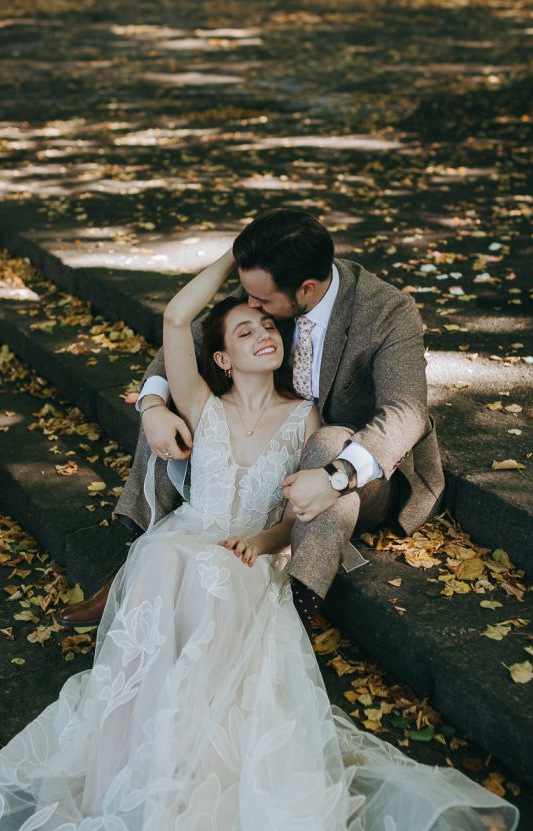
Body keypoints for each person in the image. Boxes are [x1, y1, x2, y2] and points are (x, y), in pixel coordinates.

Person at [0, 250, 520, 831]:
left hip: (245, 554)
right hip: (187, 539)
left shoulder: (306, 418)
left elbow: (294, 514)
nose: (263, 334)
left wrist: (263, 544)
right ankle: (123, 783)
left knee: (204, 573)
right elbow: (174, 317)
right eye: (244, 329)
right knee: (167, 562)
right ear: (221, 357)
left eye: (267, 324)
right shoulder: (201, 405)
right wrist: (236, 260)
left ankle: (189, 794)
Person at [59, 208, 445, 633]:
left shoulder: (386, 311)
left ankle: (300, 605)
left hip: (361, 467)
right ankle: (135, 562)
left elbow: (405, 413)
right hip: (263, 431)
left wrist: (335, 477)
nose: (251, 306)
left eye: (262, 303)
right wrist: (151, 404)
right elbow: (188, 335)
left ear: (307, 289)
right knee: (170, 411)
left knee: (328, 443)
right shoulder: (267, 287)